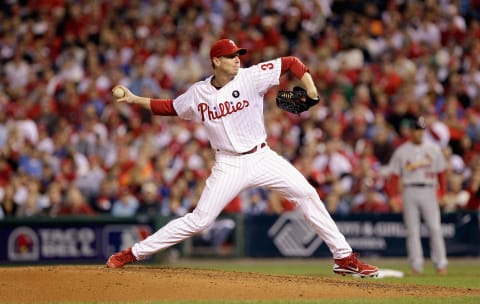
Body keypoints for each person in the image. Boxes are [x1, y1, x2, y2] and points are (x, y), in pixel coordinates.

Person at [105, 39, 378, 277]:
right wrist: (133, 99)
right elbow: (168, 107)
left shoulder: (251, 76)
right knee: (200, 220)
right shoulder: (198, 93)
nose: (237, 60)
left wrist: (312, 89)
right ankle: (133, 253)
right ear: (216, 61)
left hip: (262, 157)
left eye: (238, 56)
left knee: (307, 194)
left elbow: (291, 63)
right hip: (228, 164)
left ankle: (343, 257)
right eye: (231, 56)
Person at [386, 116, 448, 275]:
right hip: (409, 190)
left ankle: (441, 264)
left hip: (429, 189)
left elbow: (441, 173)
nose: (420, 133)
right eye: (417, 130)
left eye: (422, 130)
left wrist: (443, 193)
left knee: (435, 228)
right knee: (412, 230)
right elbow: (394, 176)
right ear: (411, 132)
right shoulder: (402, 150)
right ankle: (416, 265)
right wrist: (392, 196)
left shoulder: (433, 149)